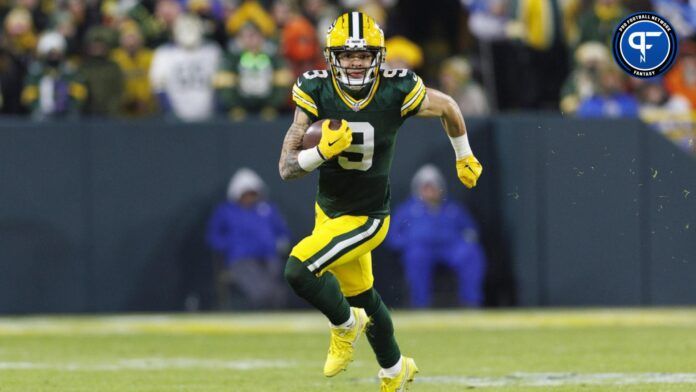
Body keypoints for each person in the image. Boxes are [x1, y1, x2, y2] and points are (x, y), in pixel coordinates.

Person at [277, 12, 482, 391]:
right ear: (331, 56)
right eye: (347, 55)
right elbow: (287, 168)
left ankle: (344, 326)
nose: (356, 62)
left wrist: (463, 154)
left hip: (367, 217)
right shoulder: (315, 89)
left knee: (298, 269)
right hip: (328, 211)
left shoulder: (397, 88)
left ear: (379, 56)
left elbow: (449, 106)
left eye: (364, 54)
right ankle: (394, 370)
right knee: (365, 298)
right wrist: (320, 152)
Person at [388, 164, 487, 308]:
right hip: (421, 249)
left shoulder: (453, 208)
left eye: (433, 187)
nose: (430, 191)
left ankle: (471, 303)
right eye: (425, 187)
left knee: (471, 253)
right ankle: (420, 305)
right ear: (417, 188)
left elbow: (471, 230)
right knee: (416, 256)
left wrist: (465, 240)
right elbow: (393, 237)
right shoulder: (407, 210)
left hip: (450, 248)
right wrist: (409, 243)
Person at [206, 168, 290, 309]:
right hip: (241, 260)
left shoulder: (268, 209)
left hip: (269, 257)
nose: (250, 197)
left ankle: (271, 300)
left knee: (272, 270)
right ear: (237, 194)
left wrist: (279, 244)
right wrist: (230, 245)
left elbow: (283, 232)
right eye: (246, 194)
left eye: (253, 193)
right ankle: (270, 298)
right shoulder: (226, 211)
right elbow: (213, 236)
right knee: (255, 280)